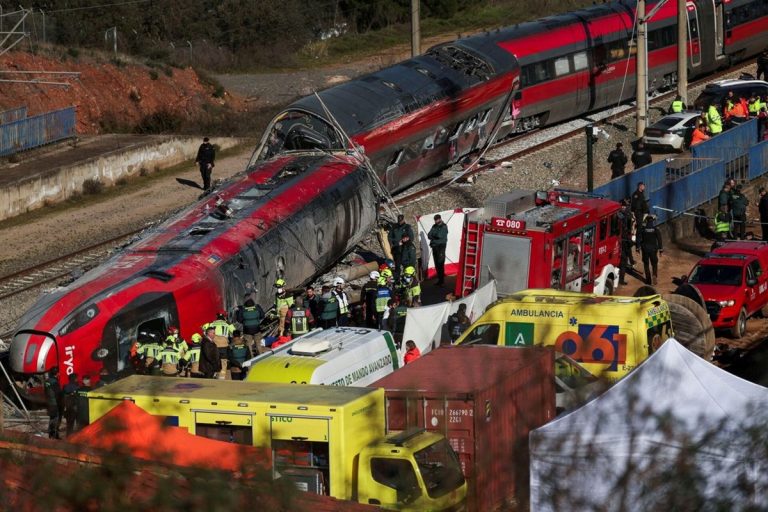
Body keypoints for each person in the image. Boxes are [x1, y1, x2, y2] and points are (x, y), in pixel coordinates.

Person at [636, 215, 663, 285]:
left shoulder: (643, 229)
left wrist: (637, 248)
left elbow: (638, 238)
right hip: (653, 249)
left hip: (645, 249)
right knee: (654, 264)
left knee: (646, 264)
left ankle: (648, 280)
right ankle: (654, 275)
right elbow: (659, 240)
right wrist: (660, 250)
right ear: (652, 221)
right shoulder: (655, 229)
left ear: (646, 221)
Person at [208, 312, 234, 379]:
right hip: (224, 345)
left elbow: (206, 332)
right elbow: (234, 331)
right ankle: (222, 375)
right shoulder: (227, 324)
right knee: (223, 360)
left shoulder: (212, 323)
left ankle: (214, 373)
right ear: (224, 318)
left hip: (214, 344)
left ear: (217, 318)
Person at [617, 199, 635, 286]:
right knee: (623, 263)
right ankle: (621, 279)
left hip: (623, 240)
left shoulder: (623, 214)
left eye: (624, 206)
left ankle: (631, 261)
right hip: (623, 242)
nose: (623, 207)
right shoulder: (624, 214)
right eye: (622, 206)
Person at [428, 214, 448, 286]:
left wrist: (433, 236)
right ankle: (439, 280)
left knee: (440, 263)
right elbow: (429, 235)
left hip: (441, 247)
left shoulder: (444, 226)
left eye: (437, 220)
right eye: (435, 220)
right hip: (435, 247)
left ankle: (442, 281)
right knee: (436, 264)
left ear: (440, 219)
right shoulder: (434, 226)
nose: (436, 221)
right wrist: (434, 236)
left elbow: (440, 235)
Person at [44, 367, 63, 439]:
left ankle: (50, 434)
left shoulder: (47, 381)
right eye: (59, 372)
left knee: (51, 418)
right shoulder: (55, 382)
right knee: (56, 419)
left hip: (49, 403)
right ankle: (55, 435)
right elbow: (58, 394)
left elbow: (45, 392)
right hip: (54, 403)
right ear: (57, 374)